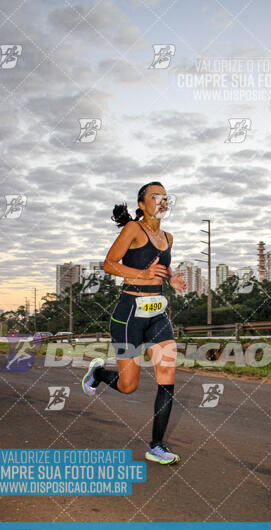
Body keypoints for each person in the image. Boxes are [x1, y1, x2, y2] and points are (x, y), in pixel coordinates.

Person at [82, 181, 186, 465]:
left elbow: (160, 269)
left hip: (157, 315)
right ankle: (100, 373)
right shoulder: (133, 230)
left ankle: (156, 446)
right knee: (129, 386)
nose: (162, 201)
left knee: (167, 375)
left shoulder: (168, 237)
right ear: (142, 204)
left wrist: (171, 278)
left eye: (165, 197)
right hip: (129, 315)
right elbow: (109, 264)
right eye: (155, 197)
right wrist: (143, 273)